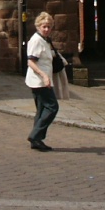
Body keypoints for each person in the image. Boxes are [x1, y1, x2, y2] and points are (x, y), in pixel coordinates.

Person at [25, 11, 59, 151]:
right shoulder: (36, 40)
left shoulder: (45, 40)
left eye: (49, 27)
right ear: (38, 26)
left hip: (43, 80)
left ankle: (36, 141)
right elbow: (31, 62)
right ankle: (35, 135)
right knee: (52, 107)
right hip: (39, 81)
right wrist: (44, 76)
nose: (46, 29)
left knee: (41, 110)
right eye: (44, 26)